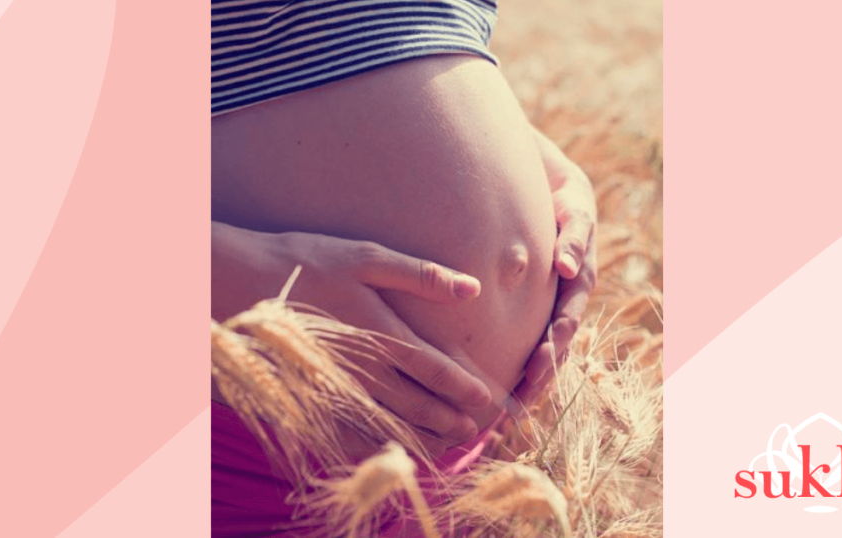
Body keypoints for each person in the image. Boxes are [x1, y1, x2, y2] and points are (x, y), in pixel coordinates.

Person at [210, 0, 597, 534]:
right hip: (254, 442)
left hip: (464, 461)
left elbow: (402, 36)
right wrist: (230, 275)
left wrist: (554, 173)